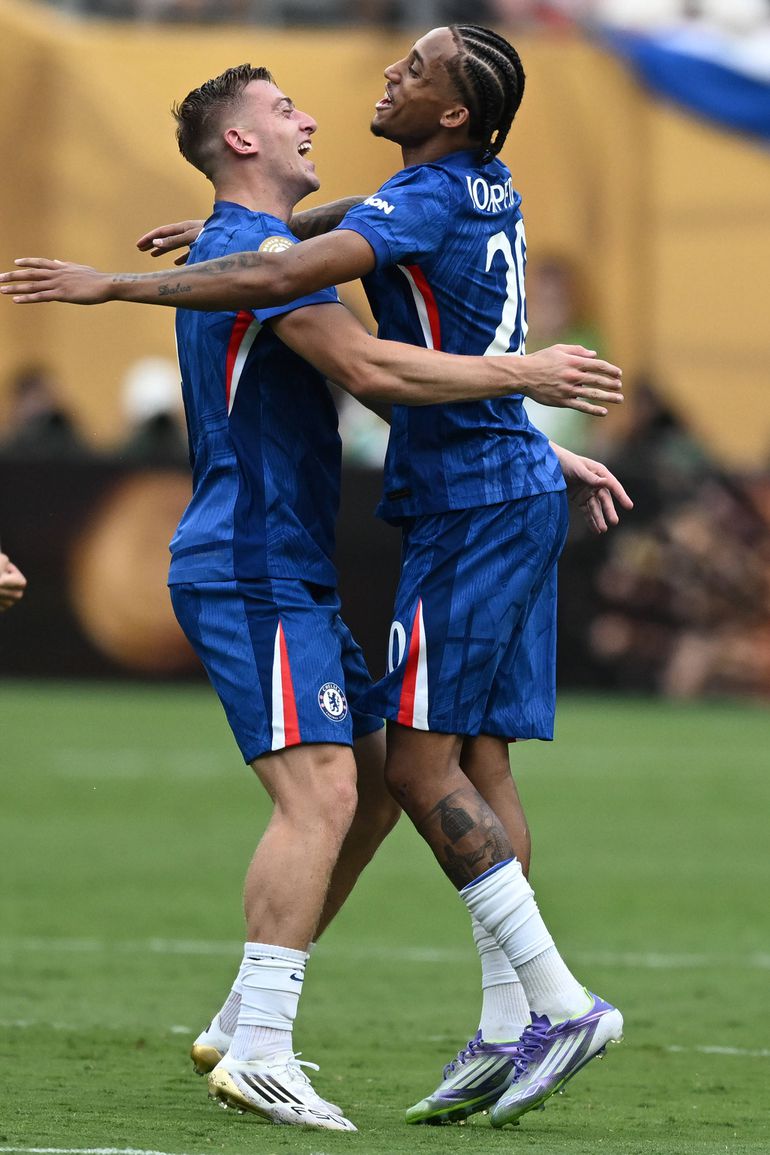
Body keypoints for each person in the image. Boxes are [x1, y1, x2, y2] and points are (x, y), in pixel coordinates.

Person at [0, 28, 633, 1129]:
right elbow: (365, 363)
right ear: (243, 140)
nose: (315, 112)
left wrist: (519, 440)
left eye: (412, 69)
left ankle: (267, 1020)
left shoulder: (289, 232)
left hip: (323, 544)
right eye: (285, 105)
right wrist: (523, 380)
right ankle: (291, 1039)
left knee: (394, 778)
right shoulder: (271, 247)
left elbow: (348, 239)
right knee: (345, 790)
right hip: (254, 557)